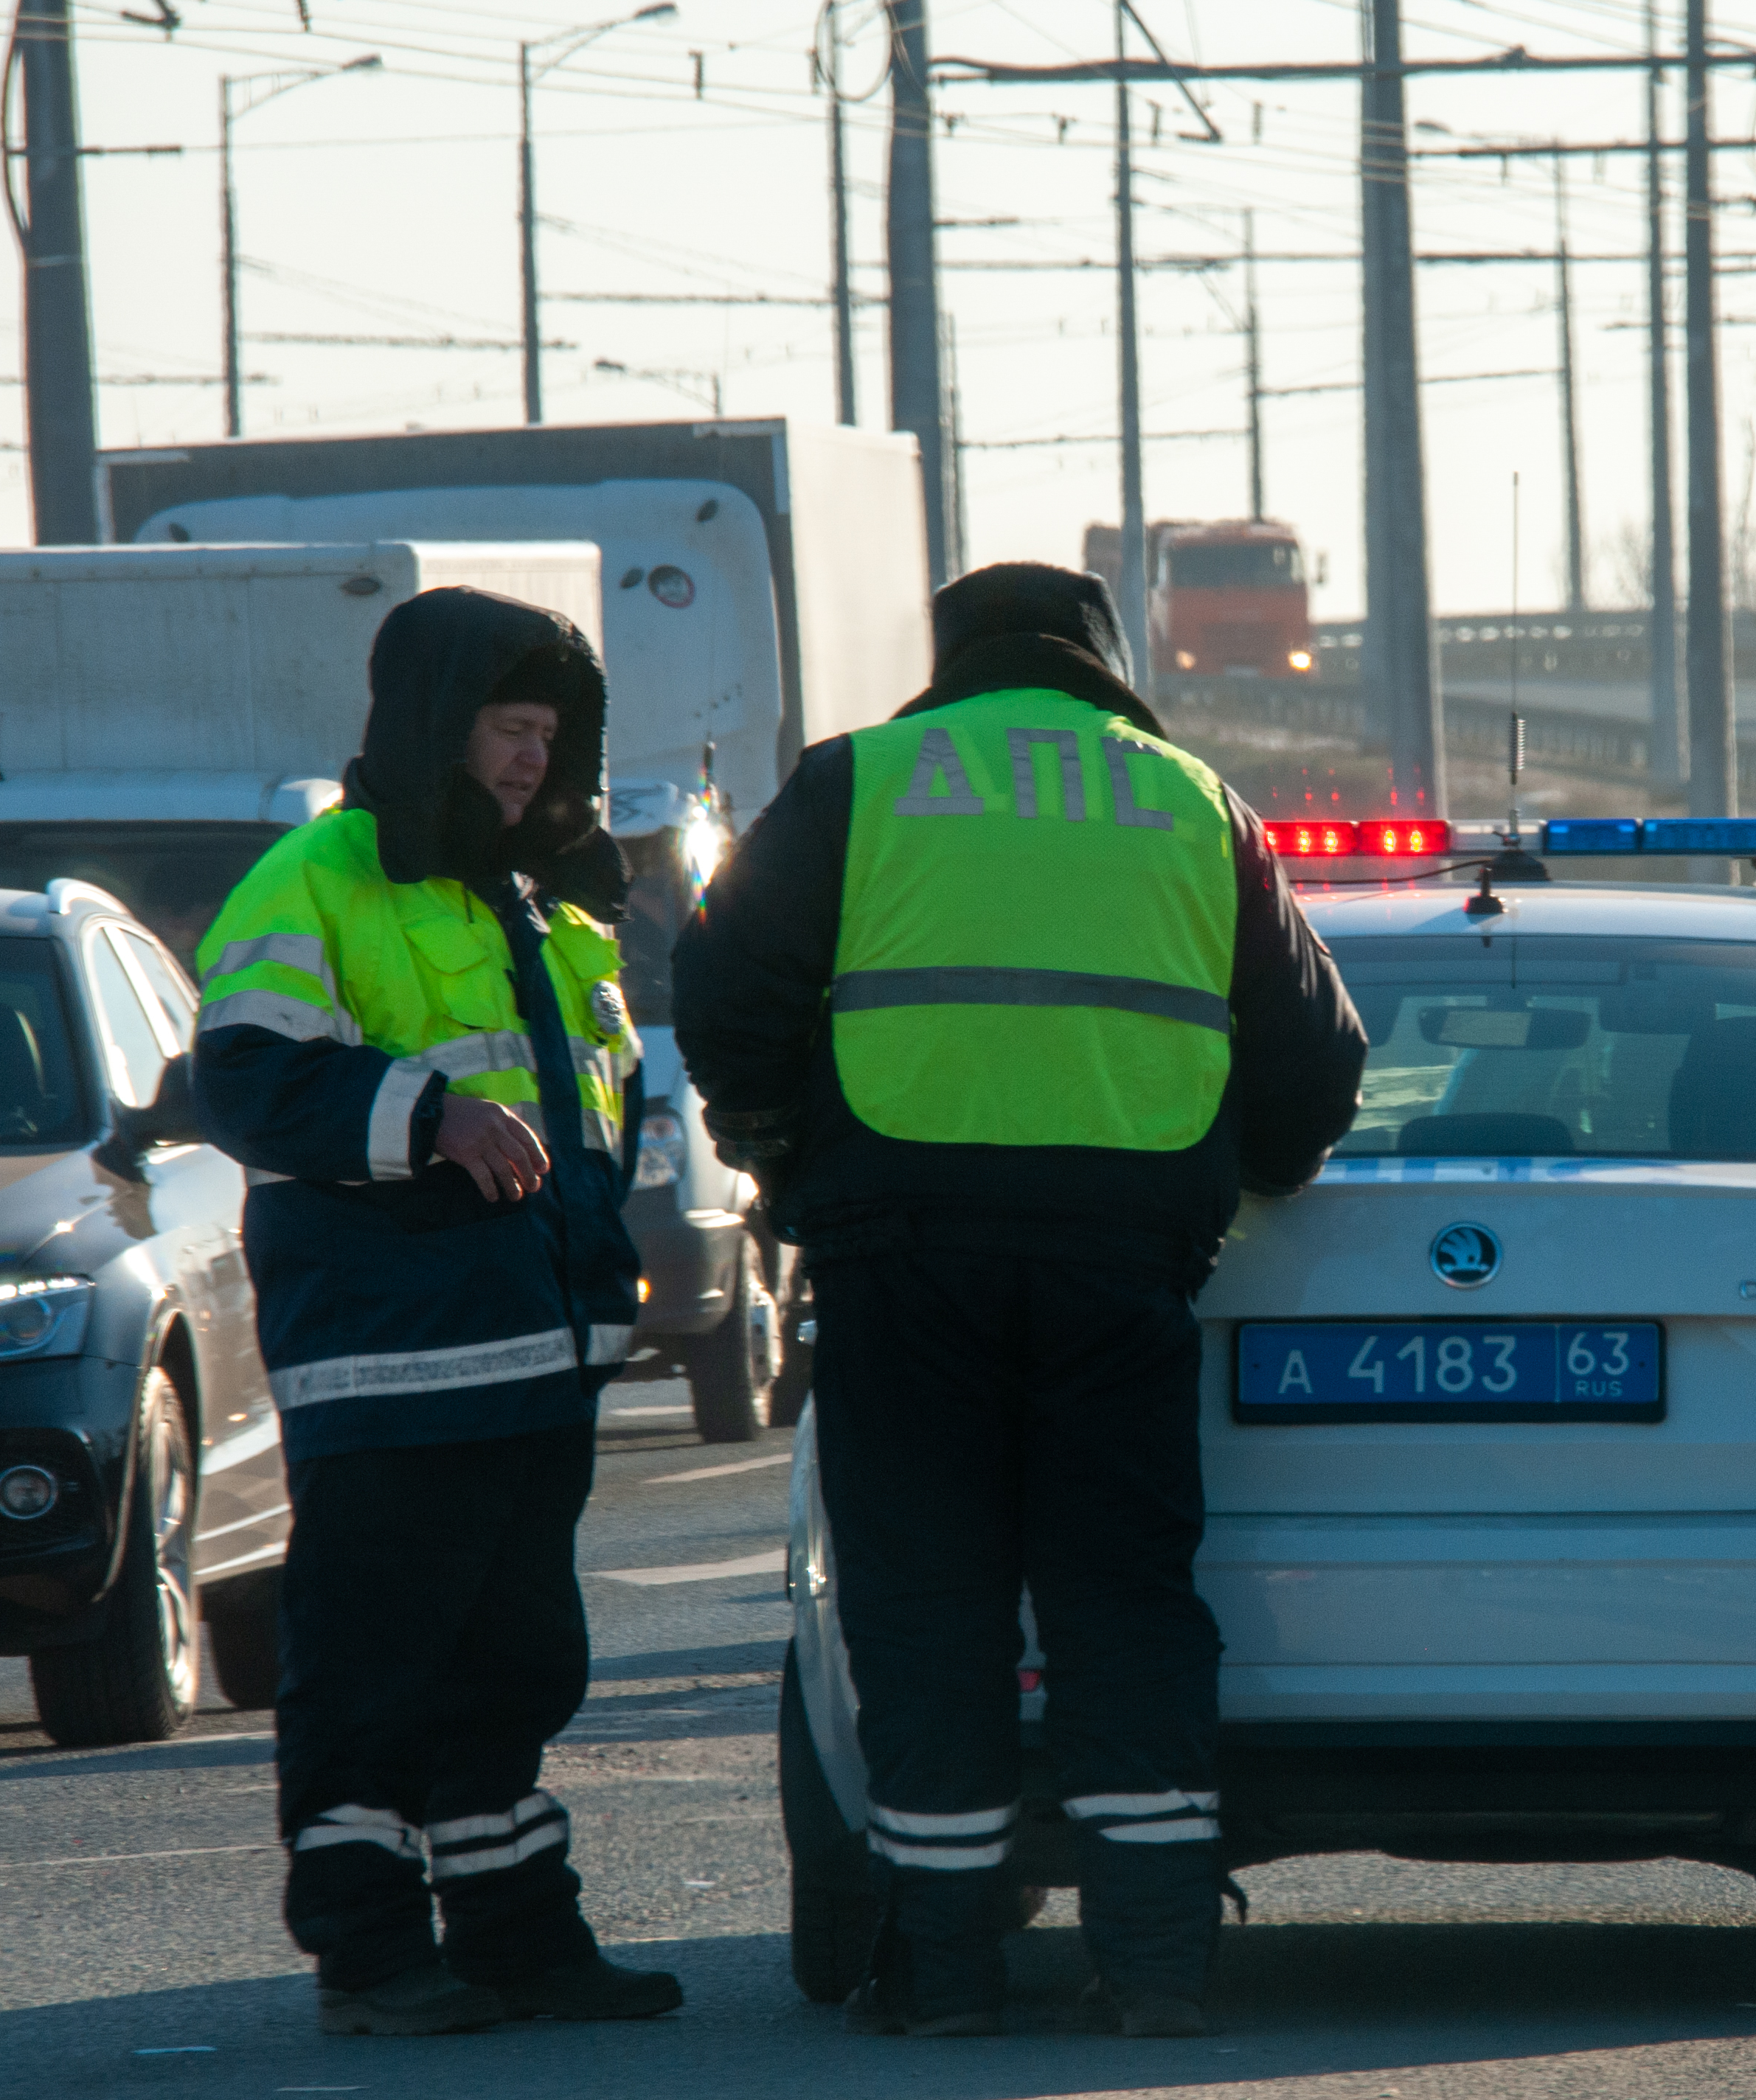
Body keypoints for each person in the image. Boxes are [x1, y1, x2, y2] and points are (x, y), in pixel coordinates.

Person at [673, 561, 1366, 2039]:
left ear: (951, 660)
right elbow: (1314, 1065)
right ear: (1104, 659)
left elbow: (721, 988)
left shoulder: (859, 781)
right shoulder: (1191, 802)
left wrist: (785, 1153)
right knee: (1124, 1602)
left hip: (900, 1258)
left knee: (926, 1605)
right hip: (1120, 1267)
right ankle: (1159, 1964)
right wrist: (1237, 1163)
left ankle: (944, 1972)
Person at [192, 586, 677, 2038]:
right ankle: (368, 1949)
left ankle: (519, 1935)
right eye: (505, 726)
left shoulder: (529, 897)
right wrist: (427, 1113)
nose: (528, 759)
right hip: (391, 1358)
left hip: (537, 1356)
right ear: (430, 722)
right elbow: (247, 1083)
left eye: (546, 733)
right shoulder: (322, 873)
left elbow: (591, 1118)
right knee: (372, 1661)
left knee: (514, 1661)